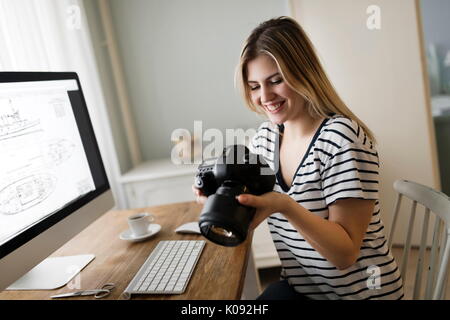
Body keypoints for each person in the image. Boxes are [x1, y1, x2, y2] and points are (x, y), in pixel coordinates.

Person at [193, 16, 403, 300]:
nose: (264, 96)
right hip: (303, 289)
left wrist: (285, 205)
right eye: (254, 86)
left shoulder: (341, 138)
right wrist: (223, 204)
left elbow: (345, 254)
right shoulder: (266, 139)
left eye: (276, 81)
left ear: (303, 73)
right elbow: (253, 215)